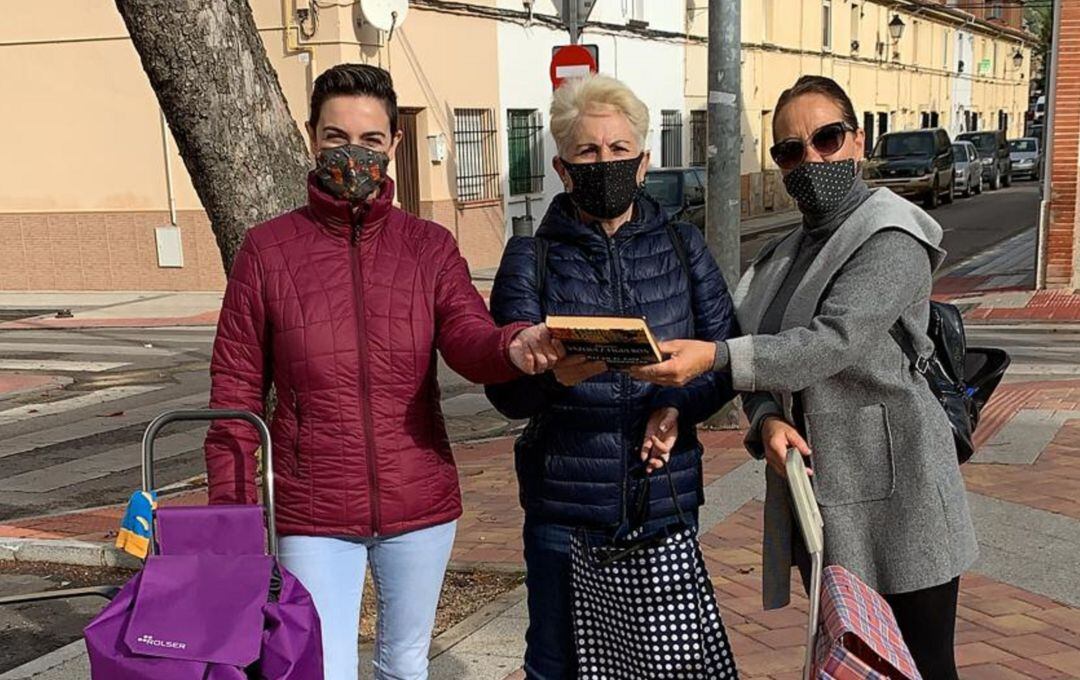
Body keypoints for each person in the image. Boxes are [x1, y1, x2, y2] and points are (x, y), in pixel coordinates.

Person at [204, 63, 561, 680]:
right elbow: (235, 393)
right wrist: (232, 515)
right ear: (310, 137)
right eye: (336, 137)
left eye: (371, 140)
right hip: (313, 510)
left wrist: (512, 346)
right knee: (324, 668)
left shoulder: (429, 246)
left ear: (394, 144)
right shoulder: (267, 250)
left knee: (404, 663)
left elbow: (467, 338)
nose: (353, 154)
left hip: (418, 500)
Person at [631, 75, 977, 680]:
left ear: (858, 142)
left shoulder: (893, 233)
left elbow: (828, 345)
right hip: (827, 494)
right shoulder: (786, 250)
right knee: (853, 660)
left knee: (922, 665)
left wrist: (714, 357)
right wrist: (764, 420)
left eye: (827, 138)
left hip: (903, 494)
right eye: (790, 150)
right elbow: (766, 349)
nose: (810, 158)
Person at [484, 73, 739, 680]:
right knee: (556, 665)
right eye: (588, 152)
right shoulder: (531, 257)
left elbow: (724, 358)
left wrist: (678, 408)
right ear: (562, 168)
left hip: (662, 498)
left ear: (644, 161)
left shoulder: (684, 245)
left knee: (664, 664)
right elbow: (506, 391)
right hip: (564, 505)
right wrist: (554, 376)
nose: (606, 162)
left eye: (619, 150)